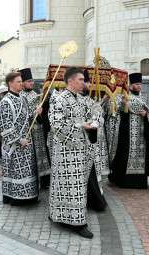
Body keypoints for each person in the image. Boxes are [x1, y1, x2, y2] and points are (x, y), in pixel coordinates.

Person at [48, 67, 98, 239]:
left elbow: (90, 116)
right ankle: (77, 223)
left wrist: (91, 123)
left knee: (77, 187)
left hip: (80, 150)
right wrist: (80, 126)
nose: (83, 82)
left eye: (83, 80)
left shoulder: (81, 100)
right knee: (69, 186)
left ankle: (70, 217)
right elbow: (57, 125)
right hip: (66, 152)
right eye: (80, 80)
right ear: (70, 81)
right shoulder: (59, 100)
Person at [0, 72, 41, 206]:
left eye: (22, 81)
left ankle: (29, 196)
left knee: (28, 171)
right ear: (10, 84)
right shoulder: (5, 102)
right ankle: (16, 197)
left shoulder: (23, 98)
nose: (21, 83)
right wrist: (18, 140)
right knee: (15, 172)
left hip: (27, 144)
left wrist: (36, 113)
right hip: (14, 146)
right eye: (18, 81)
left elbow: (28, 119)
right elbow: (4, 125)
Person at [107, 73, 149, 189]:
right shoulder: (122, 95)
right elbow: (113, 112)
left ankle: (139, 182)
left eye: (140, 84)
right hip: (126, 132)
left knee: (140, 156)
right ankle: (123, 181)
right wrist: (122, 104)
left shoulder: (141, 97)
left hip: (140, 135)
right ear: (131, 84)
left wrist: (145, 115)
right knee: (124, 155)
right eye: (137, 84)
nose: (139, 86)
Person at [80, 70, 108, 211]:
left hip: (93, 142)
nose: (90, 84)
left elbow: (100, 117)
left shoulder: (91, 101)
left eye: (91, 82)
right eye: (88, 82)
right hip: (82, 144)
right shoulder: (75, 100)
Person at [18, 68, 51, 188]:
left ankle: (45, 180)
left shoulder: (35, 95)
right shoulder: (20, 96)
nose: (31, 83)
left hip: (38, 131)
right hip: (28, 132)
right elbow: (21, 115)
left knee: (42, 154)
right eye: (28, 81)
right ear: (22, 82)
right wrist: (34, 113)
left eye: (32, 81)